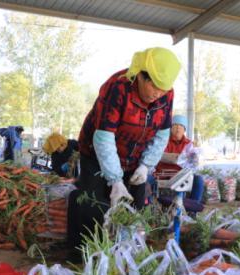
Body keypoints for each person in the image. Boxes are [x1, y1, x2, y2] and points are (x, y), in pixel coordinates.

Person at [68, 47, 181, 249]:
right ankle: (82, 256)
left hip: (135, 158)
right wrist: (115, 179)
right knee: (93, 203)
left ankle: (125, 255)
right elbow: (104, 137)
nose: (159, 94)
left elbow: (162, 133)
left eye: (164, 89)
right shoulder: (118, 87)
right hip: (97, 153)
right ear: (141, 76)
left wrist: (146, 166)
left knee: (134, 206)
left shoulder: (166, 94)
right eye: (154, 87)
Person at [147, 114, 205, 204]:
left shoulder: (189, 144)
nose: (178, 128)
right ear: (170, 128)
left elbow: (194, 161)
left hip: (182, 176)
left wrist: (196, 160)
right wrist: (179, 157)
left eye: (181, 126)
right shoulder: (163, 141)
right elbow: (159, 155)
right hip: (161, 174)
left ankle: (192, 210)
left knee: (199, 180)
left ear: (184, 130)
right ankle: (148, 208)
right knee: (146, 179)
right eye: (175, 125)